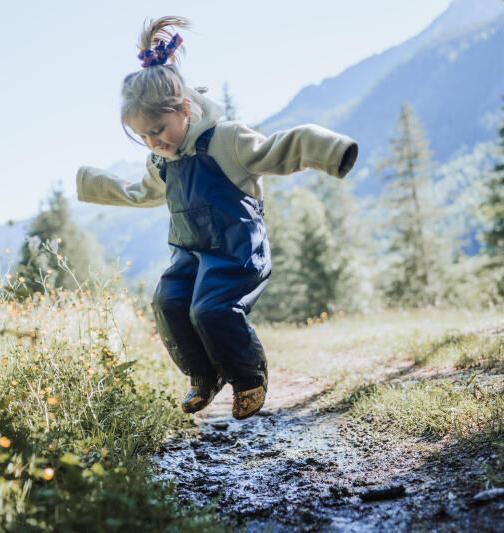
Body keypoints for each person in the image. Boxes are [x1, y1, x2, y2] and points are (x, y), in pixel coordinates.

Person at [76, 16, 358, 420]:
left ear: (185, 108)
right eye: (144, 137)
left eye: (159, 129)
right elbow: (141, 193)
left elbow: (277, 149)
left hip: (235, 249)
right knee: (168, 303)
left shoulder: (224, 139)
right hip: (190, 253)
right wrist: (92, 183)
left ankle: (248, 378)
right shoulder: (162, 160)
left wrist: (332, 150)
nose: (155, 142)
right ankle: (204, 377)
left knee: (209, 309)